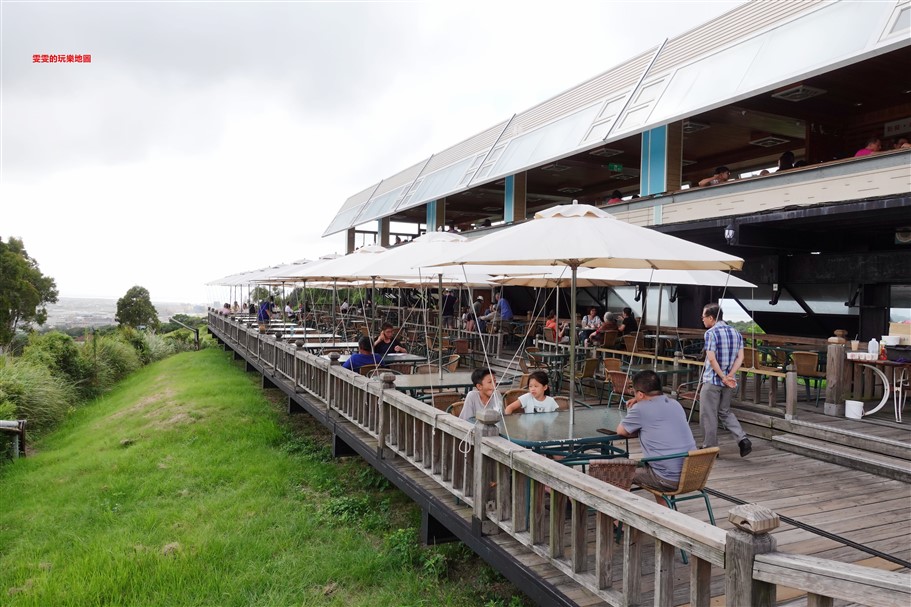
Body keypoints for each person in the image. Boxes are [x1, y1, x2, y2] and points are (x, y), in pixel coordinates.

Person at [615, 370, 697, 496]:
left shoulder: (640, 409)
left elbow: (621, 431)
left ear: (641, 394)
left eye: (634, 393)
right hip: (692, 474)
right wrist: (638, 400)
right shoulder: (675, 404)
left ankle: (616, 513)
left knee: (616, 474)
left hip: (667, 479)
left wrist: (637, 405)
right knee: (654, 465)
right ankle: (664, 509)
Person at [699, 303, 752, 457]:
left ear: (711, 317)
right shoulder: (736, 332)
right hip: (729, 382)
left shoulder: (711, 333)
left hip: (712, 381)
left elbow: (711, 358)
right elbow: (740, 357)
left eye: (703, 317)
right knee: (725, 412)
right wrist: (729, 376)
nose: (702, 320)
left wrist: (722, 376)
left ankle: (710, 448)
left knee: (708, 414)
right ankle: (742, 439)